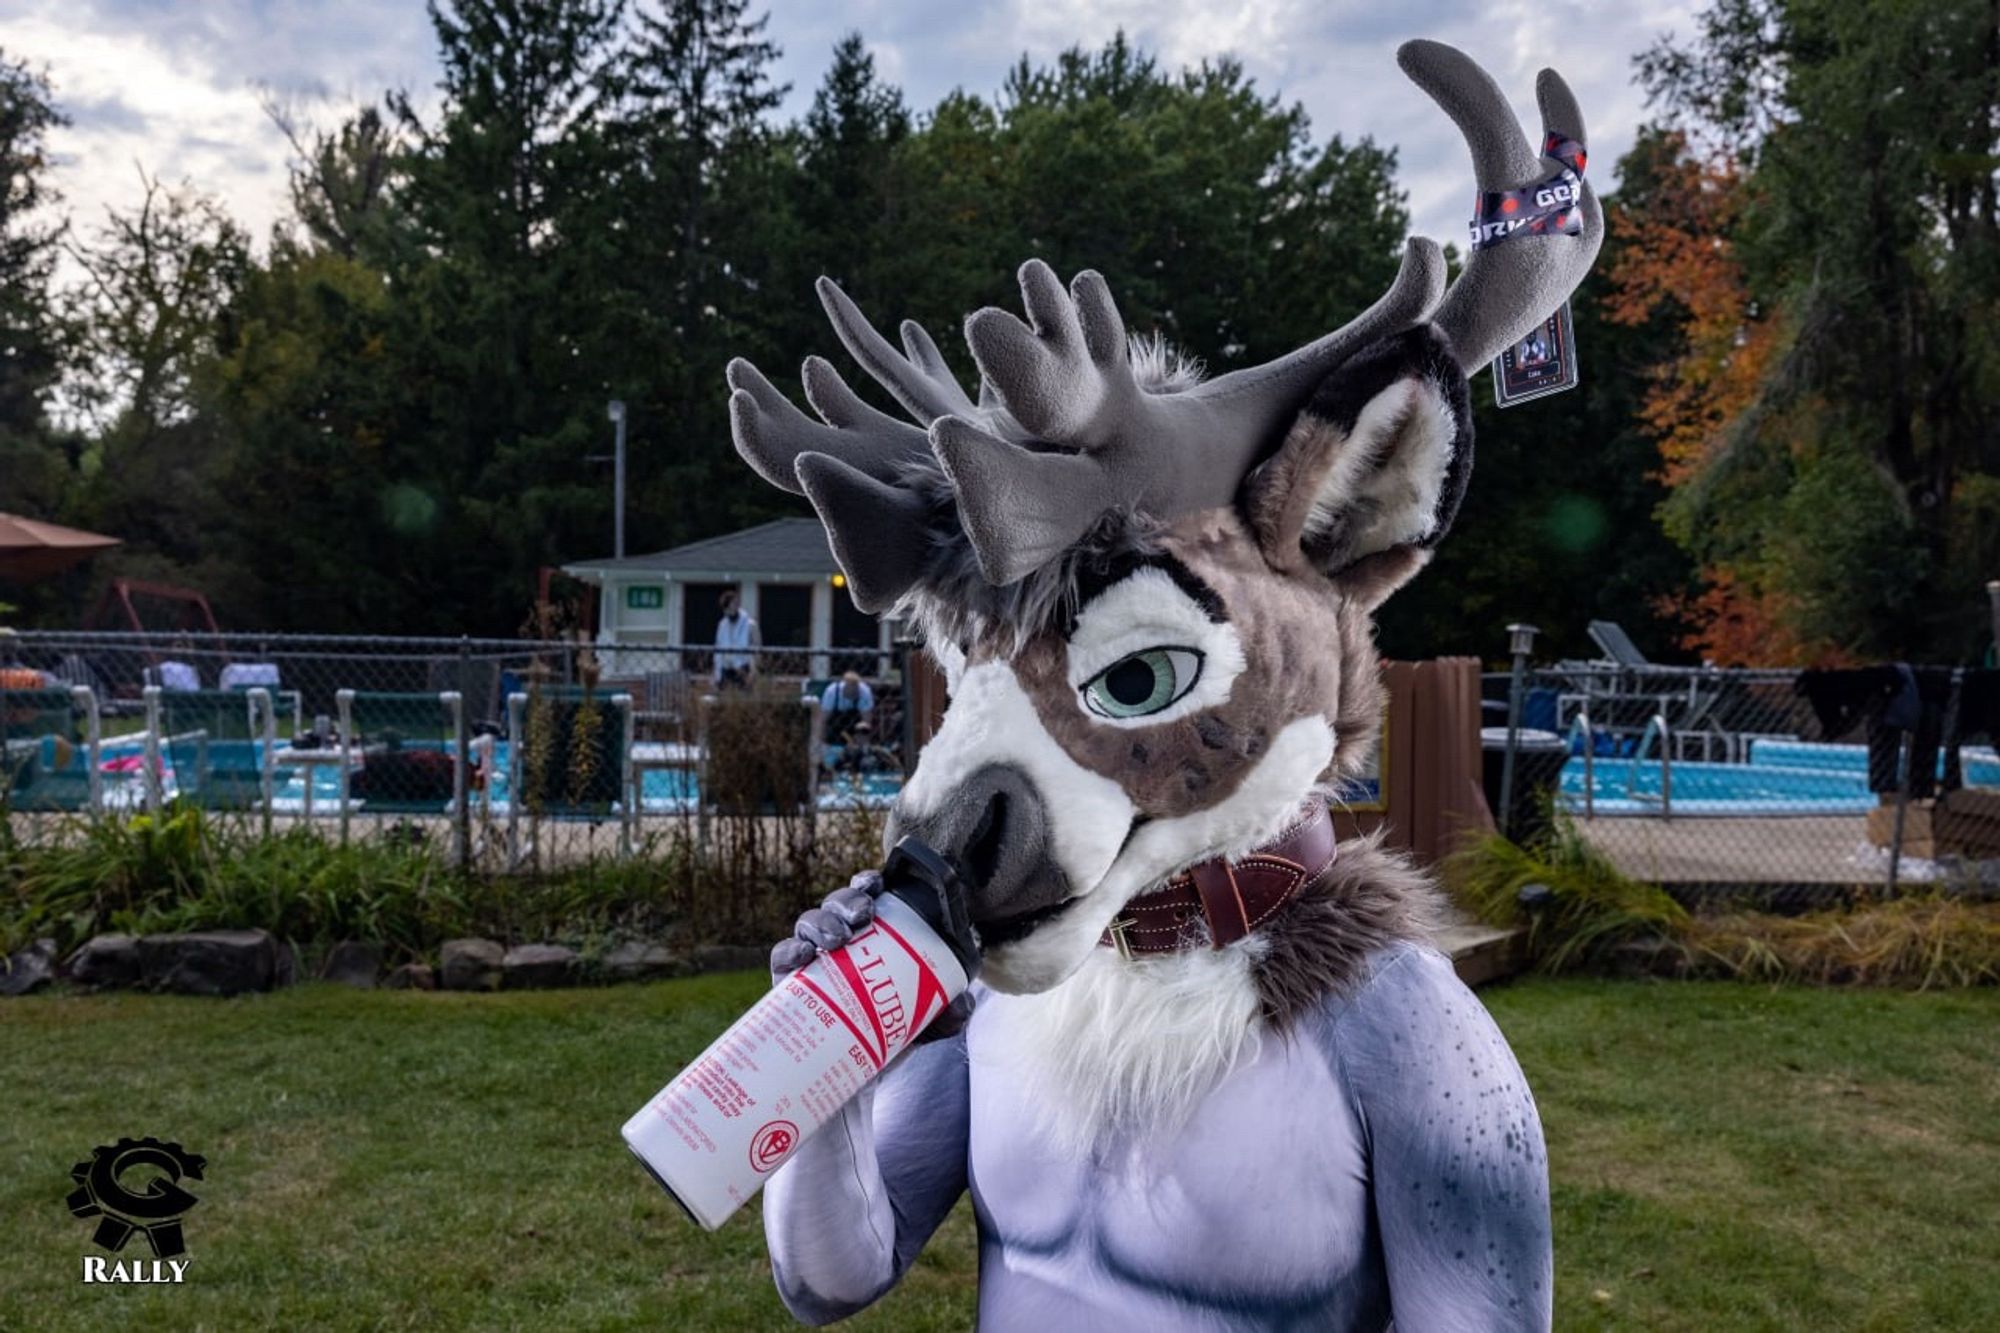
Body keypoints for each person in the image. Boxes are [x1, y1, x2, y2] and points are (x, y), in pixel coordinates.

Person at [713, 591, 759, 691]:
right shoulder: (722, 625)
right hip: (726, 670)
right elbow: (718, 651)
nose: (729, 611)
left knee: (744, 702)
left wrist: (753, 671)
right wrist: (717, 675)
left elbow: (756, 650)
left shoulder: (750, 625)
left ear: (737, 605)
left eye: (732, 606)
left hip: (744, 669)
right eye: (727, 609)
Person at [819, 670, 874, 744]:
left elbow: (866, 721)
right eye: (850, 691)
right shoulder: (831, 692)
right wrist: (822, 739)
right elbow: (824, 718)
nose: (853, 693)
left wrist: (864, 741)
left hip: (855, 726)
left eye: (855, 690)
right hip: (835, 725)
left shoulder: (864, 692)